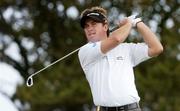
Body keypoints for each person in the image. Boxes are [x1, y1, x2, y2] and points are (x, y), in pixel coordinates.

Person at [78, 6, 163, 111]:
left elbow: (156, 48)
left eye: (94, 24)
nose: (89, 28)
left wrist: (137, 22)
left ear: (105, 26)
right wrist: (128, 23)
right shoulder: (85, 51)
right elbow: (117, 39)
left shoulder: (126, 48)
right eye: (86, 26)